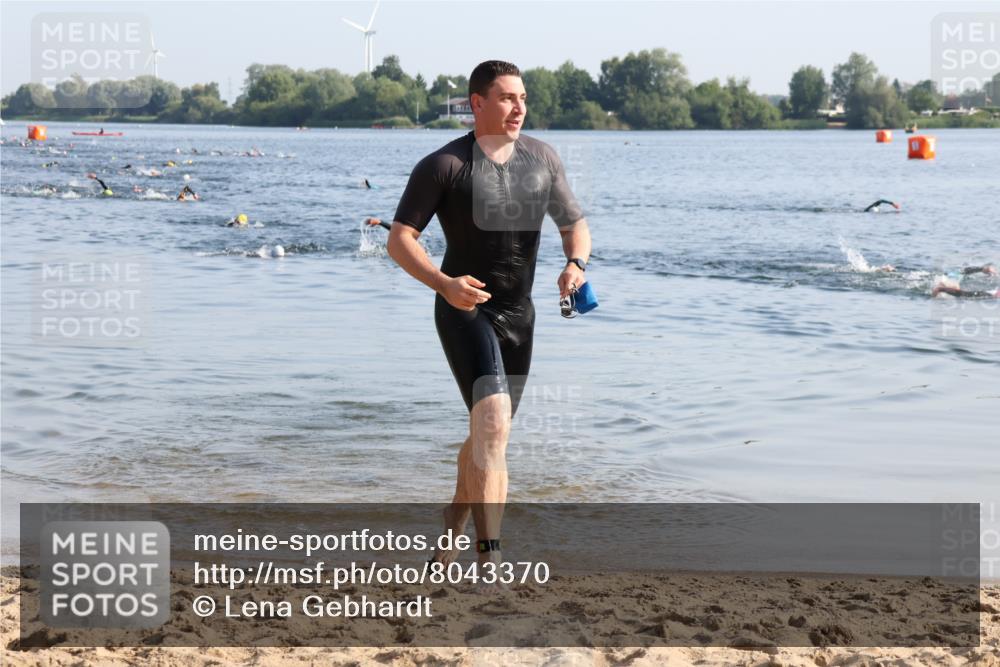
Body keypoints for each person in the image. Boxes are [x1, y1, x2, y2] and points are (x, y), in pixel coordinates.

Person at [385, 60, 591, 578]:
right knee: (493, 426)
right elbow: (400, 239)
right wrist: (443, 284)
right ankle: (489, 559)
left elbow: (575, 225)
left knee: (489, 437)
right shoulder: (444, 165)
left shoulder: (543, 158)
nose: (519, 108)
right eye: (506, 98)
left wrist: (576, 265)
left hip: (521, 316)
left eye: (523, 98)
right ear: (477, 103)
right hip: (465, 308)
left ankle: (451, 531)